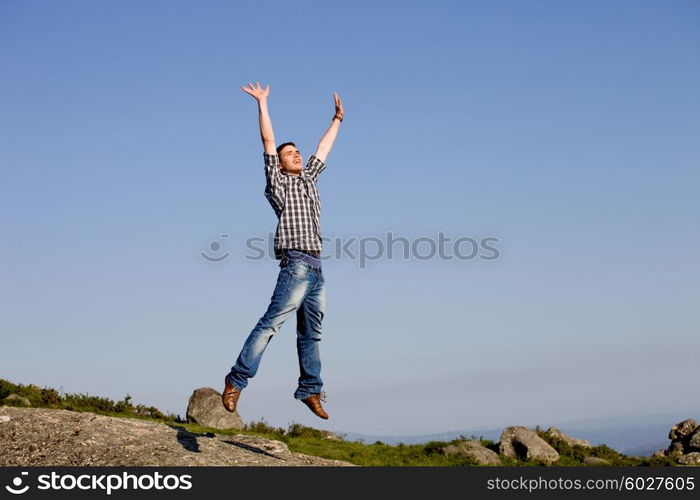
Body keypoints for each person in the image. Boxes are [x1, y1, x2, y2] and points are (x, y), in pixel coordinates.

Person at [222, 81, 343, 419]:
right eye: (291, 154)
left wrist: (337, 120)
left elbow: (323, 149)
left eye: (297, 152)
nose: (297, 155)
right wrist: (262, 104)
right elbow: (268, 141)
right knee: (272, 323)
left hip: (317, 269)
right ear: (280, 164)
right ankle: (236, 380)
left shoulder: (309, 179)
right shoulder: (279, 183)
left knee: (311, 333)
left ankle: (310, 388)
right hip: (296, 266)